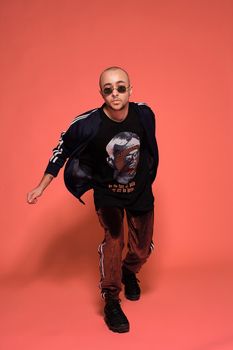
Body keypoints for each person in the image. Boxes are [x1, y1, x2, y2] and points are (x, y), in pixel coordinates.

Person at [27, 66, 159, 333]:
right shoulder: (89, 123)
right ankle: (111, 299)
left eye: (121, 87)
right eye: (108, 89)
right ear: (101, 93)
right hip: (107, 192)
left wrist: (146, 174)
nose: (115, 93)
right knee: (113, 240)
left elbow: (150, 148)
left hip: (140, 191)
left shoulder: (144, 114)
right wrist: (42, 186)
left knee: (142, 249)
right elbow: (61, 149)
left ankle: (129, 272)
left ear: (130, 90)